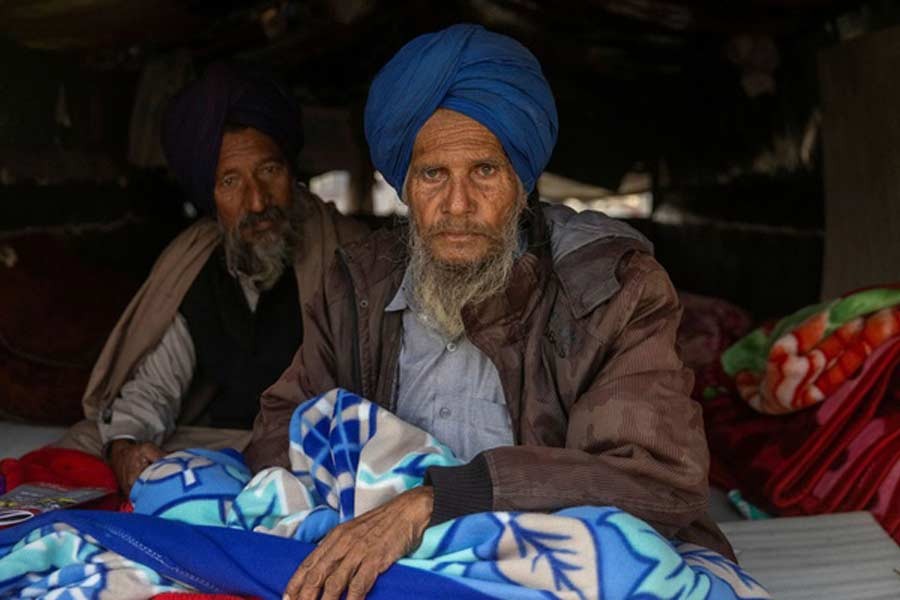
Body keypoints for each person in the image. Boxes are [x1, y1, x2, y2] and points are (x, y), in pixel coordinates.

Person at [246, 24, 733, 600]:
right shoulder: (357, 285)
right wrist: (344, 507)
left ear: (522, 182)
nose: (457, 205)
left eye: (484, 171)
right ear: (406, 184)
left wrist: (440, 499)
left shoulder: (612, 288)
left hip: (558, 567)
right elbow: (284, 428)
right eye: (433, 175)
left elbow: (655, 481)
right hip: (402, 570)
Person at [60, 63, 367, 494]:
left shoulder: (350, 252)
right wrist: (126, 447)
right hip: (222, 444)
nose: (257, 201)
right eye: (230, 181)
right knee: (88, 445)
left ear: (291, 170)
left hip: (313, 447)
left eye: (269, 171)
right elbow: (155, 384)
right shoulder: (193, 264)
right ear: (209, 195)